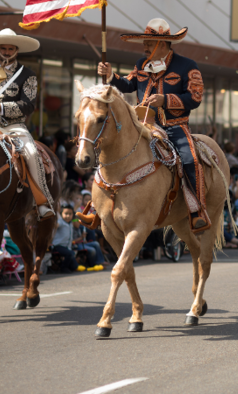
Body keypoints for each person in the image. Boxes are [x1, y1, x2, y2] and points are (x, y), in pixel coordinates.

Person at [98, 18, 209, 233]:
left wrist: (165, 100)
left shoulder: (187, 65)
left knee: (190, 158)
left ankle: (197, 209)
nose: (145, 46)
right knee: (108, 149)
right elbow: (129, 84)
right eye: (145, 42)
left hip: (174, 126)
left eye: (149, 42)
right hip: (141, 125)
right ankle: (97, 206)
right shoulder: (141, 64)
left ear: (163, 43)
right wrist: (110, 75)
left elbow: (195, 98)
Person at [0, 29, 55, 218]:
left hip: (12, 126)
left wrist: (0, 107)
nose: (6, 52)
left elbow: (28, 105)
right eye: (3, 48)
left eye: (10, 48)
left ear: (16, 50)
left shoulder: (28, 74)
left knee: (31, 152)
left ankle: (42, 201)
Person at [52, 205, 78, 273]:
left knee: (74, 266)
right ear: (61, 214)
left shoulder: (71, 223)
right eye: (66, 214)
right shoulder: (60, 221)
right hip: (58, 246)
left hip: (67, 247)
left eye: (70, 214)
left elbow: (77, 225)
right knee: (70, 254)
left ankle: (61, 266)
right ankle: (63, 268)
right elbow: (56, 225)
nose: (68, 216)